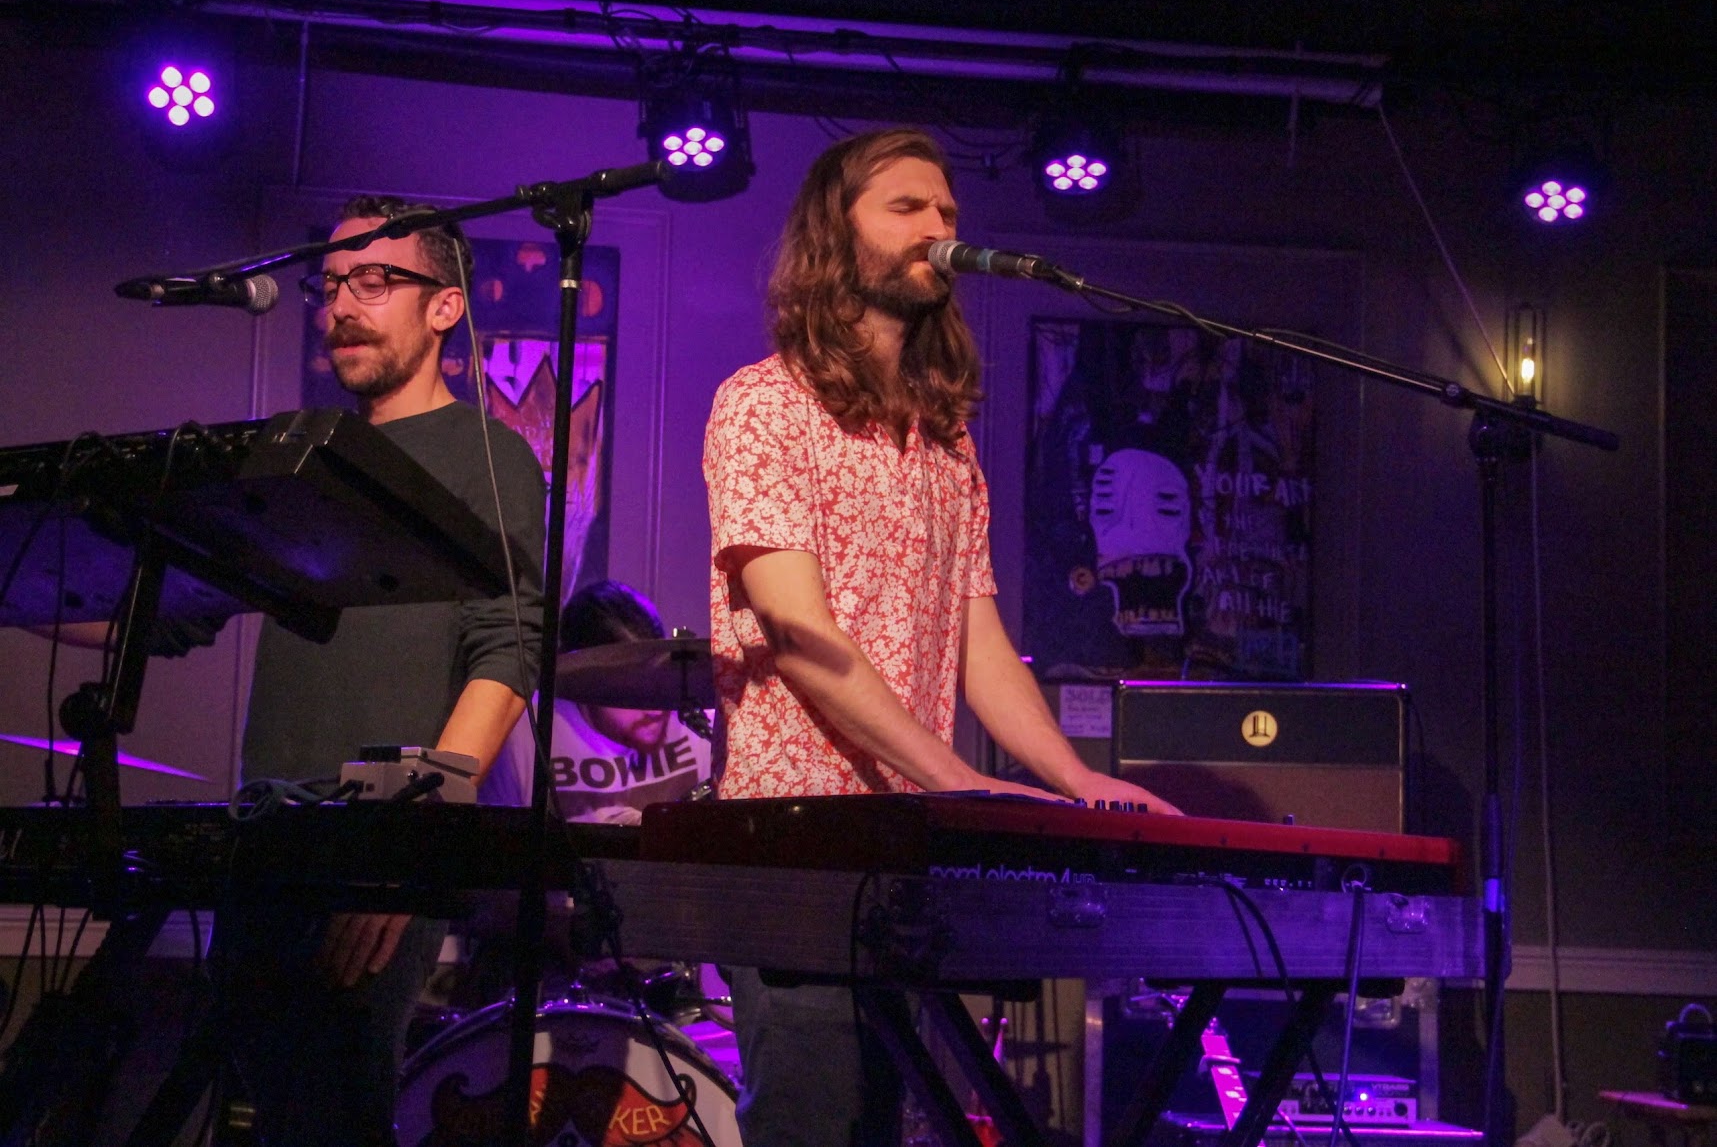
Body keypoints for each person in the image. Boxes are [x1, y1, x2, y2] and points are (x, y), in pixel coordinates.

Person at [702, 127, 1182, 1147]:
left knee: (883, 1122)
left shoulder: (943, 437)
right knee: (813, 1122)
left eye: (948, 211)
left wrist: (1074, 784)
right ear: (837, 233)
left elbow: (981, 643)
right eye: (907, 207)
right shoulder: (761, 406)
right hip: (795, 844)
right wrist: (961, 783)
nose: (938, 225)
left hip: (907, 846)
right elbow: (798, 631)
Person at [215, 195, 546, 1146]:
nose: (340, 307)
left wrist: (406, 850)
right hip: (262, 835)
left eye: (372, 281)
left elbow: (506, 649)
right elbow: (169, 606)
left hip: (379, 840)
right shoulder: (301, 453)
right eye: (329, 286)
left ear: (444, 307)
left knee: (336, 1110)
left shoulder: (488, 455)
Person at [482, 578, 714, 825]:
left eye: (659, 678)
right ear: (585, 680)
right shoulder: (527, 732)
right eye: (633, 686)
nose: (656, 709)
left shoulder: (699, 720)